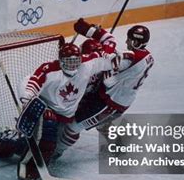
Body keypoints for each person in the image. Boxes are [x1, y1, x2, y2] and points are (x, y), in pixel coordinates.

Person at [0, 41, 120, 180]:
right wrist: (27, 99)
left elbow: (108, 59)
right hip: (49, 110)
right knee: (47, 133)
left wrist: (113, 51)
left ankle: (11, 141)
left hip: (67, 115)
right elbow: (31, 83)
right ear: (60, 61)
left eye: (75, 61)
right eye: (68, 61)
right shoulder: (50, 70)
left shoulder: (87, 64)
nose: (72, 65)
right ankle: (30, 169)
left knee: (53, 147)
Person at [55, 18, 154, 157]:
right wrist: (91, 31)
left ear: (136, 41)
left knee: (74, 126)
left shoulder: (130, 58)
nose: (126, 42)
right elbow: (111, 44)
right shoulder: (147, 56)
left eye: (129, 39)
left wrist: (98, 54)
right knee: (101, 121)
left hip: (110, 103)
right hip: (119, 99)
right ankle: (118, 145)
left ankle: (55, 153)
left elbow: (108, 74)